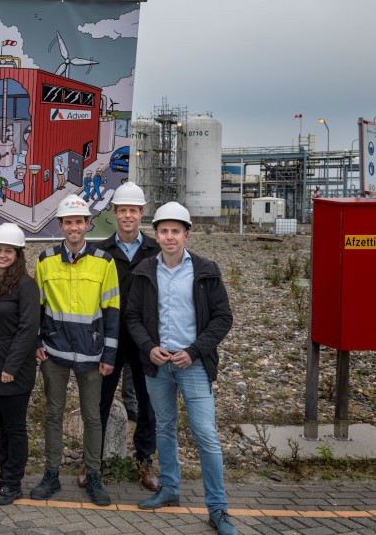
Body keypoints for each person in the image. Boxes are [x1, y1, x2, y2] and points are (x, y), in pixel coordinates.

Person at [125, 202, 238, 535]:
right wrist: (149, 348)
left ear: (186, 234)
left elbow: (223, 318)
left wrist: (195, 351)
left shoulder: (206, 270)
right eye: (163, 231)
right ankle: (170, 488)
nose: (169, 236)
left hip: (193, 364)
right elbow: (132, 317)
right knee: (164, 427)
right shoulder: (145, 270)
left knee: (206, 435)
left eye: (176, 230)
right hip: (158, 365)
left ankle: (218, 509)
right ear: (156, 235)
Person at [31, 195, 119, 506]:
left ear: (86, 224)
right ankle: (51, 475)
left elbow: (111, 311)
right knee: (53, 414)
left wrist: (109, 355)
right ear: (60, 225)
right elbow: (36, 308)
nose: (73, 227)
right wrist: (37, 342)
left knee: (92, 417)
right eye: (68, 222)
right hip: (54, 352)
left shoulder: (104, 262)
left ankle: (94, 476)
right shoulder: (45, 260)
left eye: (78, 222)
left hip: (91, 354)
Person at [95, 183, 160, 491]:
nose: (128, 216)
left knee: (148, 403)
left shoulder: (156, 251)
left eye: (133, 210)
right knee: (101, 400)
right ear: (115, 214)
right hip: (111, 338)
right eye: (123, 210)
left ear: (141, 213)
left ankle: (144, 461)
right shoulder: (101, 252)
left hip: (146, 340)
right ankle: (91, 461)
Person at [0, 223, 39, 506]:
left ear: (18, 254)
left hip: (14, 366)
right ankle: (4, 476)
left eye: (8, 250)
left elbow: (28, 330)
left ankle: (14, 484)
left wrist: (11, 367)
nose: (2, 255)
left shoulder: (26, 286)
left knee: (14, 428)